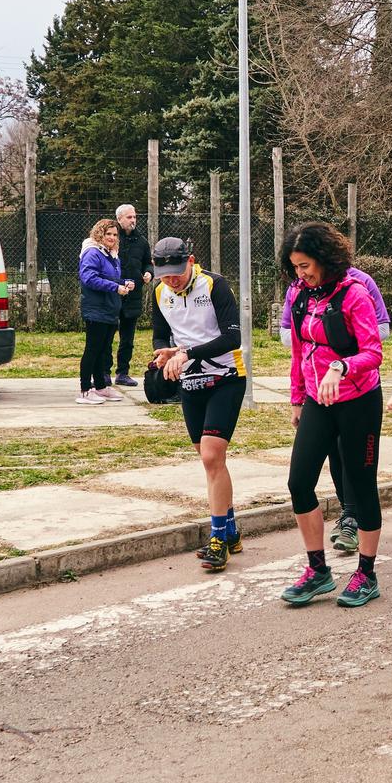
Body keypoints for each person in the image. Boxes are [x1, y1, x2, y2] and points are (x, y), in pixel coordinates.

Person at [278, 223, 386, 609]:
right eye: (295, 267)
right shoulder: (298, 295)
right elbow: (297, 351)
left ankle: (366, 574)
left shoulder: (354, 294)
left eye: (306, 265)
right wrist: (296, 398)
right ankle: (318, 570)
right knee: (299, 482)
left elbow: (373, 353)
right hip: (316, 401)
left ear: (325, 259)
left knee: (360, 484)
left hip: (358, 401)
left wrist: (341, 366)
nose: (301, 274)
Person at [146, 237, 248, 572]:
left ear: (191, 260)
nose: (171, 280)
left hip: (226, 378)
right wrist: (165, 352)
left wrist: (187, 352)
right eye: (164, 274)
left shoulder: (214, 285)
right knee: (210, 461)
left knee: (211, 455)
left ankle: (218, 539)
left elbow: (233, 337)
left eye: (177, 272)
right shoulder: (159, 292)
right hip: (189, 382)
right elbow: (160, 334)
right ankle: (231, 530)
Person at [76, 217, 133, 404]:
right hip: (96, 310)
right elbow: (89, 278)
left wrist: (123, 283)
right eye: (108, 233)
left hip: (110, 310)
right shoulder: (92, 253)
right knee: (92, 350)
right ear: (99, 234)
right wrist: (115, 288)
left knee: (103, 350)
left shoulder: (111, 255)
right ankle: (85, 389)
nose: (112, 237)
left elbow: (108, 278)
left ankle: (100, 387)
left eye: (115, 234)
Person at [112, 204, 153, 388]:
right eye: (129, 217)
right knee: (106, 336)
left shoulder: (141, 241)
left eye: (134, 216)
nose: (133, 220)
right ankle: (104, 372)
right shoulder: (112, 238)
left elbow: (148, 263)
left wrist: (148, 273)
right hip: (113, 294)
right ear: (119, 219)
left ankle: (122, 372)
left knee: (127, 338)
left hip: (133, 295)